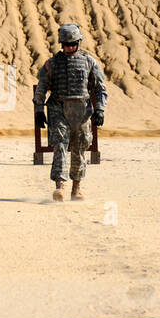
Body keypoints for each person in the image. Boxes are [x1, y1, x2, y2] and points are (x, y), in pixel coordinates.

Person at [34, 23, 107, 200]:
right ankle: (60, 185)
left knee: (79, 148)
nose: (70, 48)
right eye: (67, 45)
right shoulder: (52, 64)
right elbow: (42, 87)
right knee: (59, 145)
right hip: (58, 108)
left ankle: (77, 188)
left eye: (73, 44)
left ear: (78, 42)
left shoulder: (89, 62)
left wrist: (100, 109)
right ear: (61, 45)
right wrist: (39, 109)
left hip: (81, 111)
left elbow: (100, 88)